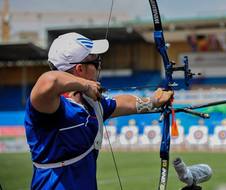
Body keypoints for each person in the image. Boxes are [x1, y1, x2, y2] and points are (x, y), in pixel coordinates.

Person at [24, 32, 173, 190]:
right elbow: (49, 80)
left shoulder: (92, 102)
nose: (100, 66)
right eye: (96, 62)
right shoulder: (50, 105)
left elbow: (124, 102)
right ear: (80, 69)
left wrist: (153, 102)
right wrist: (85, 85)